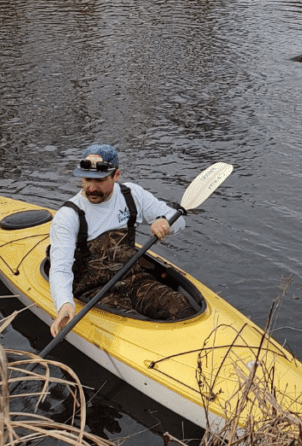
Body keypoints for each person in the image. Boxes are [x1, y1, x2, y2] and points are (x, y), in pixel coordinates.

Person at [48, 144, 194, 337]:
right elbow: (60, 269)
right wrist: (64, 303)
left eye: (99, 180)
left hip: (135, 280)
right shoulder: (68, 216)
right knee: (139, 329)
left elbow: (179, 221)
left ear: (116, 175)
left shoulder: (132, 195)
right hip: (94, 293)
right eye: (86, 179)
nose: (91, 188)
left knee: (183, 308)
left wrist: (164, 222)